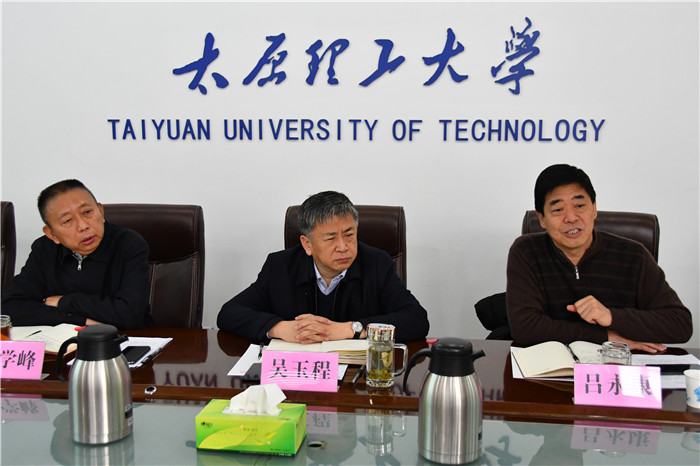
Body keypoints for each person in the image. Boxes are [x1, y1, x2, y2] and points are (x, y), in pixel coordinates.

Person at [506, 164, 692, 352]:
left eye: (580, 206)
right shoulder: (527, 252)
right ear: (542, 219)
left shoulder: (634, 256)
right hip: (550, 364)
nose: (571, 218)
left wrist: (611, 316)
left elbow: (680, 325)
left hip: (618, 365)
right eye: (558, 210)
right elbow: (525, 328)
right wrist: (605, 337)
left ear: (594, 209)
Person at [217, 191, 430, 343]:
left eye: (349, 235)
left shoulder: (376, 264)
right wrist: (281, 328)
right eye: (330, 238)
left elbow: (416, 320)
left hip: (356, 379)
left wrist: (351, 329)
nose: (343, 247)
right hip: (298, 376)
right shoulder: (280, 266)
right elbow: (229, 313)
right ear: (307, 244)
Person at [2, 179, 152, 329]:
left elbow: (130, 314)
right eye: (67, 220)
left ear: (100, 211)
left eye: (87, 212)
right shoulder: (44, 249)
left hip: (125, 338)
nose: (83, 226)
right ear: (52, 234)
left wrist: (63, 302)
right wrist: (78, 320)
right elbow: (9, 307)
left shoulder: (128, 244)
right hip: (64, 339)